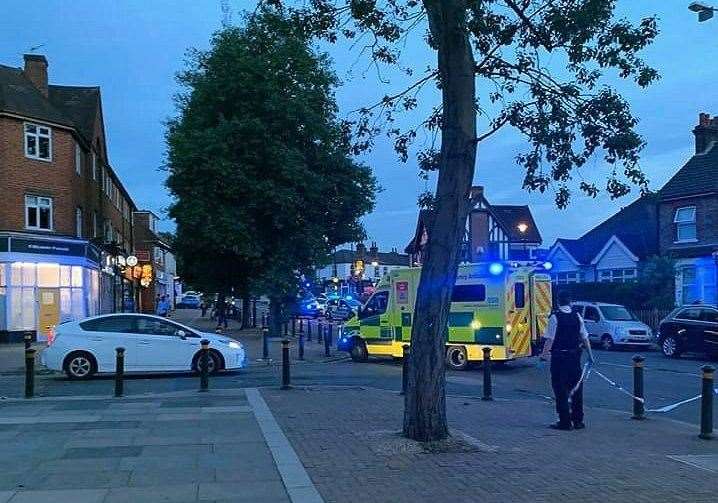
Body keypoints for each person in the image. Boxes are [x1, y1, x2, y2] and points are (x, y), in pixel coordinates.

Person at [540, 291, 596, 431]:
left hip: (560, 358)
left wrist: (543, 356)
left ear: (558, 301)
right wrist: (590, 355)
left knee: (560, 389)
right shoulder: (577, 316)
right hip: (575, 358)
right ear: (570, 301)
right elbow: (584, 337)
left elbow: (550, 340)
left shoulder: (555, 317)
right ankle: (578, 420)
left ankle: (565, 422)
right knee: (576, 388)